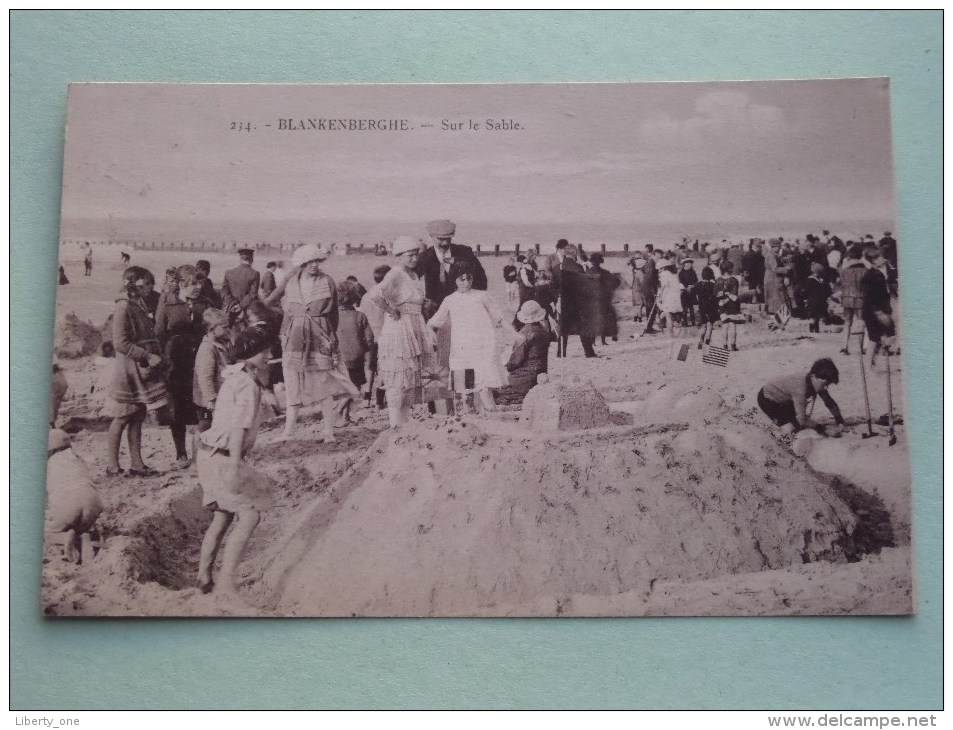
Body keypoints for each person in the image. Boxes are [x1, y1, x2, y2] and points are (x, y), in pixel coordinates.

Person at [194, 322, 278, 596]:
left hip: (208, 454)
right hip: (223, 457)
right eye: (263, 351)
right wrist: (234, 467)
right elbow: (239, 426)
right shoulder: (247, 385)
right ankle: (227, 583)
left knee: (223, 516)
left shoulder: (234, 377)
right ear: (250, 354)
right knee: (250, 515)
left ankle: (204, 577)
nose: (267, 356)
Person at [264, 244, 358, 440]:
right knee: (292, 382)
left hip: (320, 335)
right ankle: (288, 431)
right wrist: (284, 335)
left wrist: (329, 335)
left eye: (317, 261)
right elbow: (286, 311)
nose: (314, 265)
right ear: (302, 264)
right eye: (310, 262)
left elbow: (333, 315)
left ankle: (328, 431)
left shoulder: (327, 281)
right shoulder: (291, 283)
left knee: (323, 384)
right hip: (295, 337)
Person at [370, 236, 441, 428]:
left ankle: (404, 423)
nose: (414, 259)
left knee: (410, 377)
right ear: (399, 256)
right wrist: (392, 311)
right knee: (399, 377)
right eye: (409, 255)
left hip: (414, 325)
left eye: (416, 255)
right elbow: (375, 295)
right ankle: (395, 424)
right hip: (400, 328)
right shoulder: (395, 273)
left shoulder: (412, 275)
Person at [105, 266, 168, 477]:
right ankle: (112, 466)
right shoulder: (123, 307)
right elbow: (120, 343)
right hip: (129, 371)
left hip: (138, 371)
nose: (151, 289)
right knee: (122, 417)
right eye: (149, 284)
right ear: (140, 283)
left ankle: (137, 464)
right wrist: (148, 356)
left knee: (137, 415)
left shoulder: (137, 303)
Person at [427, 260, 510, 413]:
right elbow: (434, 321)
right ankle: (466, 420)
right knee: (463, 391)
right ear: (455, 280)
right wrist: (430, 331)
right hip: (461, 349)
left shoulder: (482, 296)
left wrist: (513, 334)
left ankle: (492, 417)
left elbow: (499, 317)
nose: (466, 283)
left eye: (469, 278)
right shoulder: (450, 300)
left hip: (482, 347)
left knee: (484, 387)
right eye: (461, 279)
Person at [155, 265, 212, 469]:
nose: (198, 287)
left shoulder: (205, 304)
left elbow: (212, 329)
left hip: (200, 360)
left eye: (200, 283)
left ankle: (202, 450)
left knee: (202, 404)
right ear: (181, 284)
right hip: (176, 364)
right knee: (176, 408)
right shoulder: (168, 305)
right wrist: (165, 361)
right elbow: (159, 334)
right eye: (193, 284)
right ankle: (181, 453)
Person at [757, 358, 845, 435]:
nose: (826, 387)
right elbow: (802, 420)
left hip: (785, 398)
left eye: (828, 384)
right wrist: (823, 429)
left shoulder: (815, 382)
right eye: (824, 384)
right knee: (789, 429)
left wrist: (839, 421)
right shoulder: (800, 387)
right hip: (768, 399)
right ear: (813, 376)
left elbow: (830, 403)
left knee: (796, 422)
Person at [416, 219, 487, 307]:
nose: (445, 243)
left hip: (464, 308)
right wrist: (423, 301)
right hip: (435, 310)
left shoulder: (465, 252)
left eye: (448, 238)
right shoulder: (424, 257)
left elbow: (481, 279)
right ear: (431, 236)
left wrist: (472, 300)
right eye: (441, 239)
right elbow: (410, 281)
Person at [495, 300, 551, 405]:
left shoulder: (523, 334)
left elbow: (514, 362)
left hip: (524, 379)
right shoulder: (544, 331)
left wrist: (506, 363)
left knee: (495, 392)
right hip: (540, 374)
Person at [336, 280, 375, 421]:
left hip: (339, 357)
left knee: (346, 386)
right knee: (355, 387)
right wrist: (366, 349)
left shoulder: (333, 318)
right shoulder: (359, 316)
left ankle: (345, 417)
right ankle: (340, 409)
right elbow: (369, 338)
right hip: (356, 355)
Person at [193, 308, 232, 434]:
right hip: (207, 400)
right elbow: (205, 376)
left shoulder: (221, 343)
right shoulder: (207, 348)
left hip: (219, 395)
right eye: (224, 327)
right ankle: (198, 452)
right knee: (205, 428)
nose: (228, 330)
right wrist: (210, 399)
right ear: (212, 329)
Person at [358, 264, 391, 409]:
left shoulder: (366, 296)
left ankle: (366, 397)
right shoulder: (387, 295)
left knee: (370, 367)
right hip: (384, 335)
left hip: (370, 336)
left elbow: (362, 316)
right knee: (383, 369)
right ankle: (379, 400)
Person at [860, 245, 897, 365]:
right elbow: (875, 297)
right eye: (881, 257)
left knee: (875, 339)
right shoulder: (876, 275)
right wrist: (881, 312)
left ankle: (870, 363)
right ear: (874, 260)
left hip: (871, 310)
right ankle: (868, 364)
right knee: (875, 339)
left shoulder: (872, 273)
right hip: (875, 311)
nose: (884, 258)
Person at [838, 243, 867, 355]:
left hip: (846, 298)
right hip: (860, 298)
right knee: (861, 321)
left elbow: (840, 284)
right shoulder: (865, 271)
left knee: (847, 322)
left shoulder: (844, 270)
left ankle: (844, 346)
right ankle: (861, 347)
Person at [588, 253, 620, 344]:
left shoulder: (588, 272)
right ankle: (604, 340)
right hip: (603, 299)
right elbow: (616, 282)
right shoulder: (605, 272)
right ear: (600, 262)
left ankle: (593, 341)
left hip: (592, 300)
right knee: (605, 318)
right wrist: (609, 290)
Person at [221, 248, 261, 318]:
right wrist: (240, 306)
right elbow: (253, 294)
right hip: (246, 311)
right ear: (252, 259)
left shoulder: (228, 272)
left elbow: (224, 292)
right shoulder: (255, 274)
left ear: (240, 258)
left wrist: (232, 304)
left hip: (229, 309)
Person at [716, 260, 744, 351]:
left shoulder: (718, 280)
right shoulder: (734, 280)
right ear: (729, 269)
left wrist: (722, 300)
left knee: (725, 326)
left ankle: (724, 345)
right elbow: (734, 296)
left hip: (722, 305)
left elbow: (715, 294)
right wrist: (727, 296)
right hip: (732, 305)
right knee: (732, 325)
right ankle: (733, 345)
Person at [801, 262, 832, 333]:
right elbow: (826, 290)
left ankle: (814, 329)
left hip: (815, 301)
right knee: (815, 316)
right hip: (816, 301)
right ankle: (814, 329)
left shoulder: (813, 280)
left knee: (814, 316)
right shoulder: (816, 280)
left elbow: (806, 291)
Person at [695, 266, 720, 349]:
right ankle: (707, 341)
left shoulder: (698, 285)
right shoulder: (713, 285)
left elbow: (694, 294)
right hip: (711, 307)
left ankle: (701, 340)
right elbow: (716, 297)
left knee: (704, 325)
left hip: (702, 307)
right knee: (710, 325)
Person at [677, 257, 699, 326]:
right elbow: (680, 283)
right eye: (687, 263)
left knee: (691, 308)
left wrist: (693, 286)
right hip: (684, 292)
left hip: (692, 292)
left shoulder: (693, 272)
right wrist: (686, 288)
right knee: (685, 308)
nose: (689, 264)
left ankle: (693, 322)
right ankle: (685, 322)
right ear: (684, 264)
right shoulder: (681, 273)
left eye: (690, 263)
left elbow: (696, 281)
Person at [627, 253, 648, 322]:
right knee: (640, 303)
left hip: (634, 288)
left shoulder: (633, 271)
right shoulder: (640, 273)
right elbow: (642, 282)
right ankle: (639, 317)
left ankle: (636, 316)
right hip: (639, 288)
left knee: (636, 302)